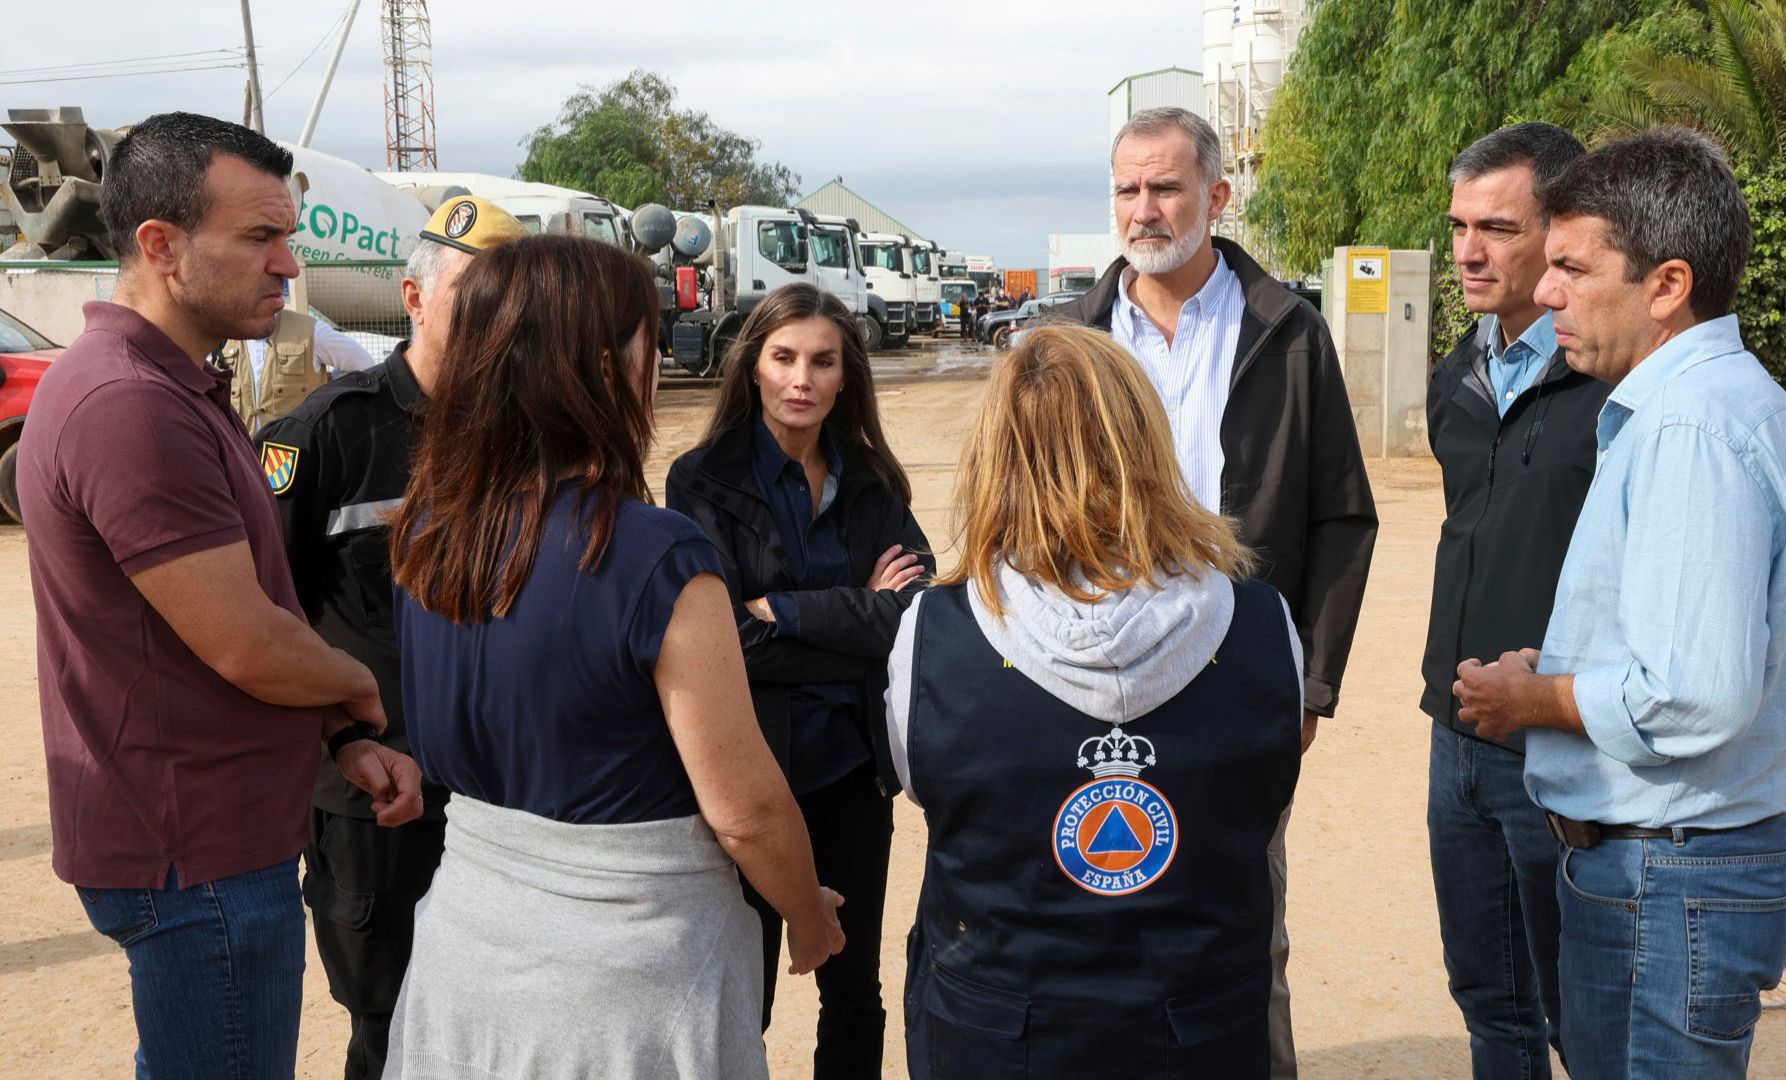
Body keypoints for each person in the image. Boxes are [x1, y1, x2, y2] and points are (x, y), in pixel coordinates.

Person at [16, 110, 423, 1079]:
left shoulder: (170, 386)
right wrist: (364, 696)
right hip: (192, 854)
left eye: (288, 236)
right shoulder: (129, 406)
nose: (289, 266)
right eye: (261, 238)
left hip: (208, 838)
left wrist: (338, 735)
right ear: (161, 245)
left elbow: (257, 605)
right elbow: (248, 644)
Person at [382, 234, 843, 1079]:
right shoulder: (654, 556)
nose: (661, 362)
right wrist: (809, 919)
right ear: (602, 368)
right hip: (620, 992)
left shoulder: (428, 530)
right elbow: (747, 812)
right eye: (650, 342)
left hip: (463, 956)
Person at [1452, 127, 1786, 1079]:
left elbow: (1695, 693)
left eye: (1573, 270)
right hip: (1670, 873)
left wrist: (1535, 700)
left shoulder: (1691, 428)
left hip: (1671, 878)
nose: (1546, 293)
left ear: (1666, 285)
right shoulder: (1692, 406)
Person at [1050, 104, 1377, 1078]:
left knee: (1241, 918)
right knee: (1092, 908)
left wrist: (1311, 683)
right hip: (1087, 677)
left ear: (1216, 195)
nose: (1143, 210)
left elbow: (1341, 516)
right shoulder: (1069, 340)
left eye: (1165, 187)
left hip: (1241, 678)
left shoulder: (1287, 331)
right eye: (1127, 188)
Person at [886, 325, 1303, 1077]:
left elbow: (929, 785)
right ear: (1147, 445)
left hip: (998, 1033)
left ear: (995, 455)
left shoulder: (934, 633)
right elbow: (1265, 797)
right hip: (1198, 1034)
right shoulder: (1265, 623)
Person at [253, 194, 525, 1080]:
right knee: (390, 1023)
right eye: (472, 295)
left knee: (502, 1009)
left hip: (502, 783)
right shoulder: (328, 432)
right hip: (377, 792)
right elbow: (268, 607)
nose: (495, 320)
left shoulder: (526, 436)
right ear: (413, 297)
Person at [666, 282, 930, 1079]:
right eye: (783, 358)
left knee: (856, 992)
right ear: (752, 367)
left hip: (852, 772)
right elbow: (730, 647)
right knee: (742, 998)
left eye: (822, 361)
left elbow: (916, 618)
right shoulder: (700, 481)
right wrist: (859, 619)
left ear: (847, 375)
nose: (801, 378)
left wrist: (784, 608)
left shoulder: (876, 481)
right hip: (748, 777)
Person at [1421, 121, 1607, 1079]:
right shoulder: (1457, 374)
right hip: (1453, 734)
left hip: (1557, 741)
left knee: (1583, 1013)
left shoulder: (1612, 382)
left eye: (1495, 226)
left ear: (1559, 229)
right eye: (1458, 226)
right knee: (1488, 1003)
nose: (1467, 251)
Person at [224, 297, 381, 435]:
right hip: (239, 455)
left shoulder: (310, 332)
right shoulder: (223, 337)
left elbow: (365, 364)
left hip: (295, 455)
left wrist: (332, 390)